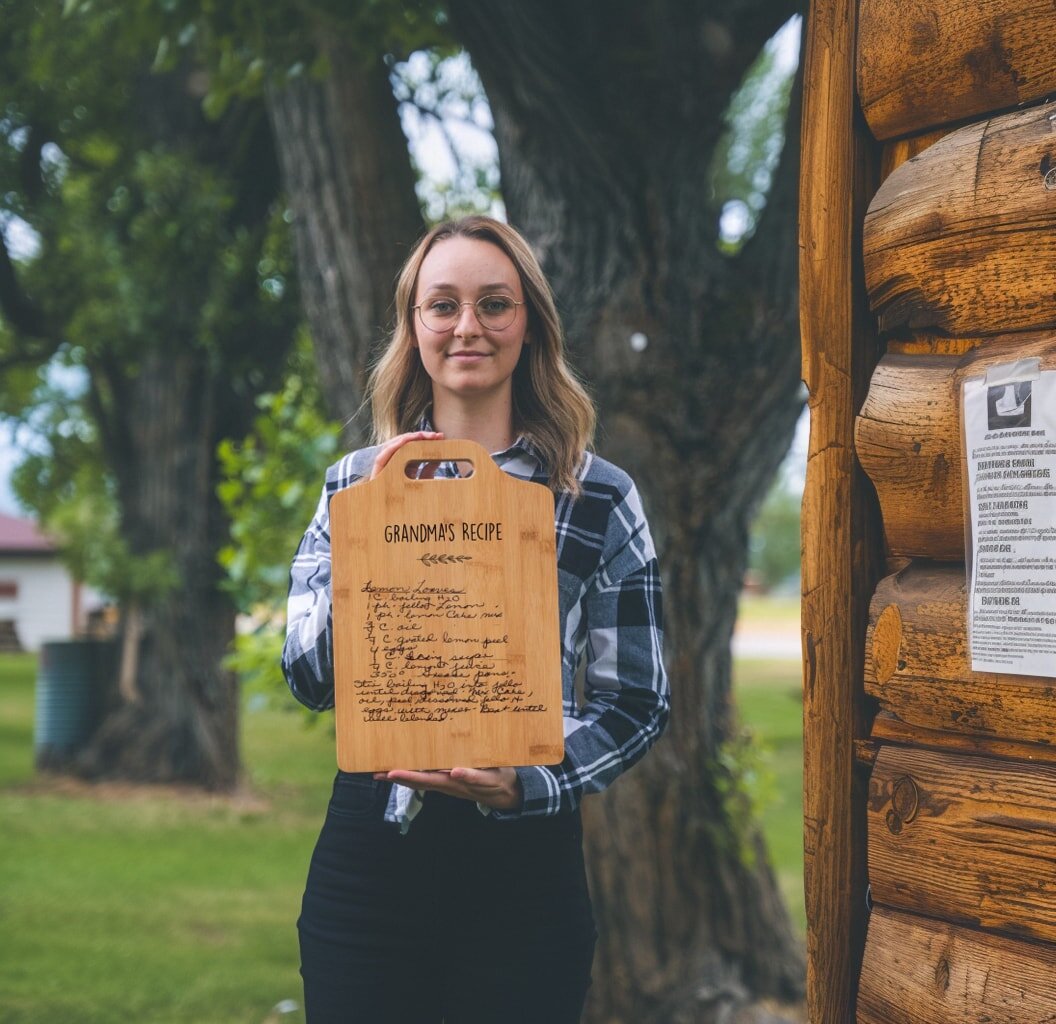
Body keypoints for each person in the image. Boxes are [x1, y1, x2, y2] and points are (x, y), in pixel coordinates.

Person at [282, 215, 669, 1024]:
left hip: (524, 874)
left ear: (528, 326)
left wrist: (532, 781)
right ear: (413, 326)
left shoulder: (596, 496)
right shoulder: (351, 485)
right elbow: (311, 682)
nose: (468, 326)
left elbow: (637, 701)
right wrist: (371, 529)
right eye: (443, 305)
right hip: (369, 865)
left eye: (495, 303)